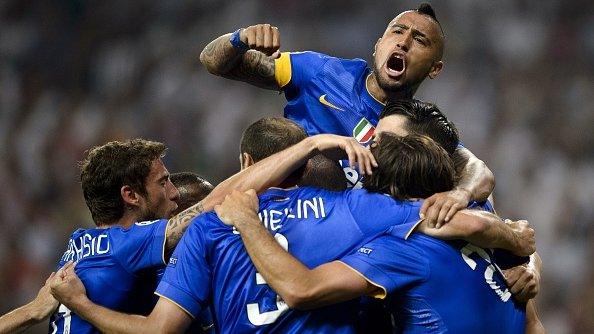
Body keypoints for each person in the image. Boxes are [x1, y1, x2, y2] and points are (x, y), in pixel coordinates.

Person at [49, 133, 534, 333]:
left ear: (247, 165)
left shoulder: (208, 227)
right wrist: (516, 241)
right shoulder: (359, 210)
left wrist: (82, 304)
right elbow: (448, 221)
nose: (175, 193)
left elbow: (158, 332)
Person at [200, 3, 495, 224]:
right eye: (397, 31)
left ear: (435, 68)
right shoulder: (322, 73)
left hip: (353, 248)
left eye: (419, 40)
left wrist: (461, 194)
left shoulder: (420, 126)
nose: (403, 42)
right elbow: (213, 62)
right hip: (280, 217)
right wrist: (239, 39)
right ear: (378, 46)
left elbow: (479, 174)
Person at [47, 135, 370, 334]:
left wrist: (34, 312)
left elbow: (29, 311)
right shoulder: (129, 244)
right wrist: (309, 145)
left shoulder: (77, 248)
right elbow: (213, 204)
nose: (172, 193)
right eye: (163, 182)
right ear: (131, 196)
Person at [213, 138, 532, 333]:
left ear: (388, 192)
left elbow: (302, 289)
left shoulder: (402, 249)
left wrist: (248, 222)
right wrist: (521, 245)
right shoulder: (479, 220)